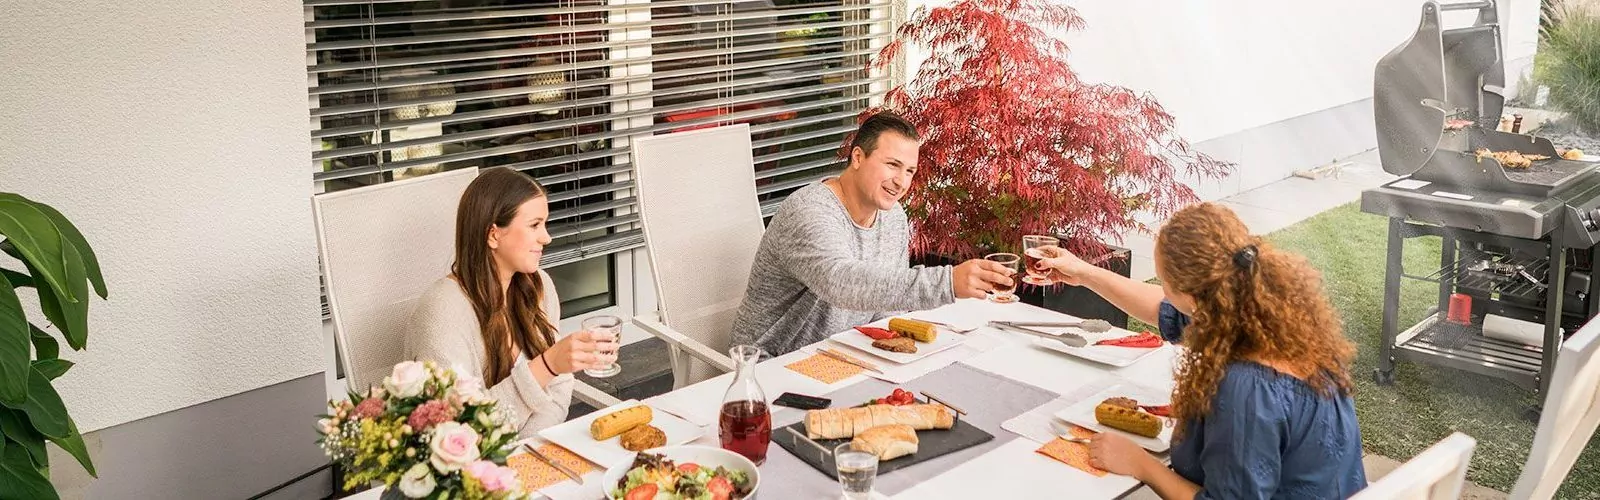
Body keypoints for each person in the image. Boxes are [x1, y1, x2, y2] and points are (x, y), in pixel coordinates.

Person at [1035, 203, 1365, 499]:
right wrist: (1083, 272)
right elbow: (1160, 310)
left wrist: (1141, 465)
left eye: (1163, 281)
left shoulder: (1246, 389)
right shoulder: (1273, 322)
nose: (1161, 291)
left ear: (1193, 298)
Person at [731, 112, 1015, 356]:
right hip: (769, 367)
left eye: (909, 171)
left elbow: (886, 310)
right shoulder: (809, 211)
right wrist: (948, 282)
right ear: (857, 157)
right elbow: (840, 283)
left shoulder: (893, 218)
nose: (901, 181)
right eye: (892, 165)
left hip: (843, 357)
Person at [404, 167, 620, 437]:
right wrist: (546, 365)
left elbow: (559, 391)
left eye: (545, 224)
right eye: (534, 225)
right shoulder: (442, 313)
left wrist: (528, 449)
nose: (547, 237)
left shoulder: (538, 287)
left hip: (538, 454)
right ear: (494, 235)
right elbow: (460, 433)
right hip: (475, 472)